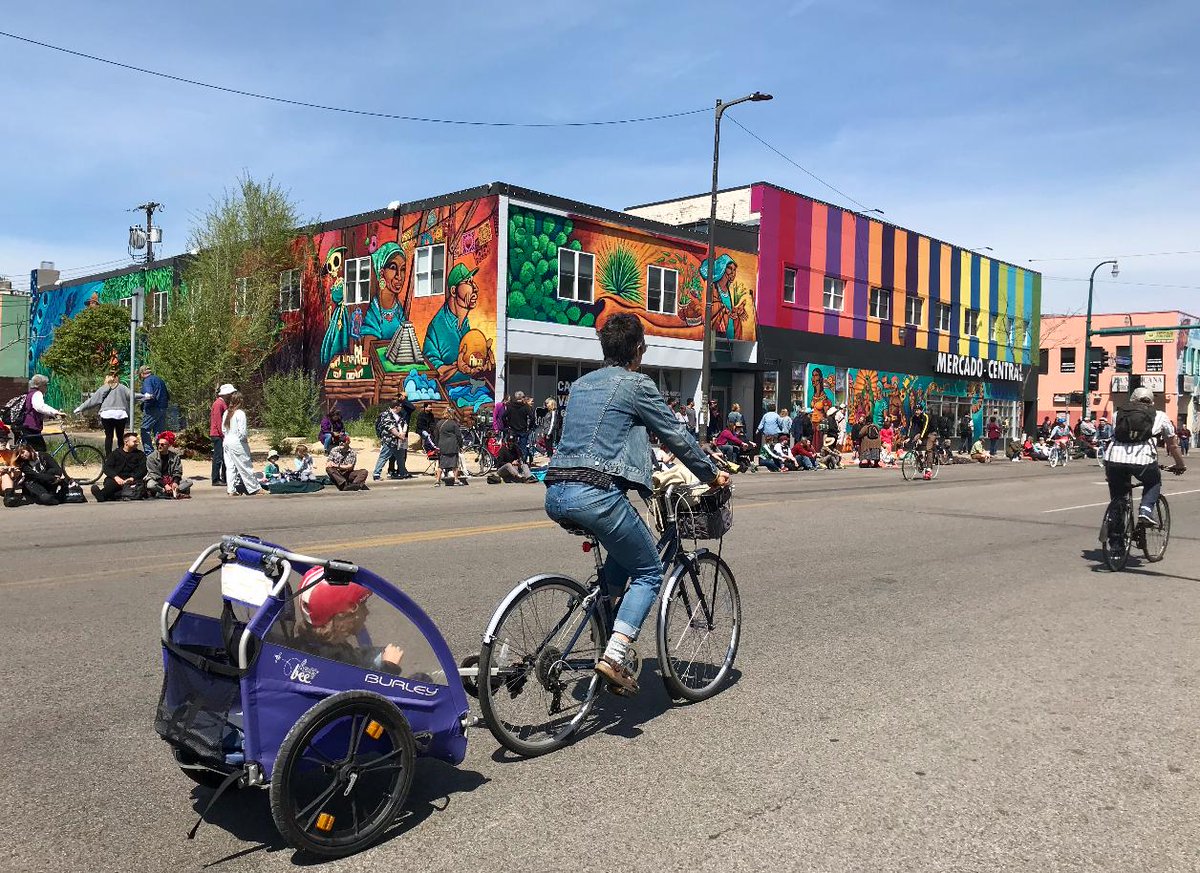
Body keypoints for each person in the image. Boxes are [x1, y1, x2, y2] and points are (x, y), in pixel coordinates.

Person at [544, 313, 728, 695]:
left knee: (622, 557)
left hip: (557, 489)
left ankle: (605, 624)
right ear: (638, 350)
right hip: (596, 494)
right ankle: (614, 655)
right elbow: (675, 434)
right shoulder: (636, 384)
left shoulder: (579, 386)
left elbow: (600, 436)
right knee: (648, 572)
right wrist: (710, 474)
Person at [1105, 387, 1186, 528]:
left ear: (1132, 400)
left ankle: (1116, 544)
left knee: (1118, 499)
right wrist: (1180, 464)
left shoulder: (1117, 414)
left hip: (1114, 459)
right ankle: (1145, 511)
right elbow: (1172, 445)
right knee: (1153, 482)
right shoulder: (1160, 415)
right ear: (1152, 402)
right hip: (1143, 460)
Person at [294, 579, 403, 673]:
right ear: (343, 615)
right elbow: (360, 691)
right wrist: (388, 667)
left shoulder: (316, 646)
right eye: (363, 606)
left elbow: (352, 657)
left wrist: (376, 653)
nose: (367, 612)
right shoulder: (331, 662)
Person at [75, 373, 132, 457]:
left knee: (109, 437)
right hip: (120, 414)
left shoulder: (103, 388)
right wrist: (145, 396)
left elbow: (93, 400)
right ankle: (123, 456)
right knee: (120, 436)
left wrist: (80, 408)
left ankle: (108, 457)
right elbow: (132, 395)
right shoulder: (122, 387)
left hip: (107, 414)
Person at [221, 391, 261, 496]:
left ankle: (231, 489)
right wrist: (244, 441)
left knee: (230, 467)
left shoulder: (226, 413)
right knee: (245, 465)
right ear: (240, 401)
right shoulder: (240, 413)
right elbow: (242, 432)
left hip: (227, 441)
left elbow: (223, 430)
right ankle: (254, 488)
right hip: (237, 442)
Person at [92, 432, 148, 502]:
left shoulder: (140, 455)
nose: (137, 443)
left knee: (136, 488)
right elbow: (106, 467)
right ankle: (102, 495)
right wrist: (116, 477)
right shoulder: (115, 453)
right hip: (117, 479)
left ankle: (106, 496)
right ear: (126, 442)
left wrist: (132, 478)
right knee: (110, 485)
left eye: (137, 441)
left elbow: (143, 470)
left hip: (132, 480)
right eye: (134, 441)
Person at [15, 374, 63, 452]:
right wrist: (55, 412)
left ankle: (30, 463)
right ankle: (37, 464)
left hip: (25, 425)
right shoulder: (37, 393)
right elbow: (40, 407)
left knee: (31, 450)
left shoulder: (30, 393)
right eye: (45, 385)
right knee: (41, 450)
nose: (46, 387)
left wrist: (48, 416)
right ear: (39, 385)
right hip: (31, 426)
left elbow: (33, 410)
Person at [145, 431, 193, 499]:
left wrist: (175, 482)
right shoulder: (151, 457)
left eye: (162, 444)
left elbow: (178, 471)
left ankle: (170, 491)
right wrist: (165, 485)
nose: (159, 446)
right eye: (158, 444)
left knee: (189, 481)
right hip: (158, 481)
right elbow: (154, 474)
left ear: (168, 445)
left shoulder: (175, 457)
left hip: (171, 480)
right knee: (150, 485)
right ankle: (167, 492)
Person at [373, 398, 408, 481]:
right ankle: (376, 474)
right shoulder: (386, 414)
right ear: (396, 407)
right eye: (400, 406)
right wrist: (399, 435)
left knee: (401, 457)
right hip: (390, 440)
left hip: (401, 440)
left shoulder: (400, 414)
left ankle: (402, 473)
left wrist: (403, 433)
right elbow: (390, 427)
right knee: (384, 456)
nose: (401, 408)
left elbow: (405, 423)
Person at [137, 365, 170, 454]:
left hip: (152, 408)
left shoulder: (147, 381)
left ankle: (149, 452)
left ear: (142, 374)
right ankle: (162, 452)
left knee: (145, 429)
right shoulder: (159, 380)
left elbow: (149, 396)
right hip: (163, 407)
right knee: (159, 432)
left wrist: (143, 404)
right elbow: (167, 395)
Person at [209, 383, 235, 487]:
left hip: (221, 434)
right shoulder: (218, 404)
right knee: (218, 457)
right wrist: (223, 434)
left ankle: (224, 477)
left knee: (224, 457)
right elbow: (218, 421)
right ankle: (215, 479)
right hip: (218, 434)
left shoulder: (222, 403)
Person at [503, 391, 536, 464]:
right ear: (522, 398)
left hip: (512, 429)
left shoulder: (510, 406)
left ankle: (512, 461)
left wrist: (507, 425)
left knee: (511, 446)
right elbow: (532, 417)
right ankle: (523, 462)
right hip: (523, 430)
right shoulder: (525, 406)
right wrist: (530, 427)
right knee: (523, 447)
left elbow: (503, 417)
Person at [905, 402, 935, 479]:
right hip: (921, 432)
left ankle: (928, 470)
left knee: (929, 449)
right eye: (915, 410)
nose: (916, 412)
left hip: (930, 432)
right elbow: (911, 428)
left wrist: (920, 439)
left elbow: (925, 428)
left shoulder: (926, 416)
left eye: (918, 410)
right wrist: (909, 437)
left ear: (921, 410)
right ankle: (921, 460)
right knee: (915, 445)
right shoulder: (913, 418)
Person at [436, 409, 465, 486]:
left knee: (441, 464)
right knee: (454, 464)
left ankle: (437, 481)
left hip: (442, 445)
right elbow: (458, 435)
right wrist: (461, 445)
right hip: (452, 445)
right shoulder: (453, 423)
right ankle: (456, 479)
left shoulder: (439, 423)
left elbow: (436, 435)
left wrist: (437, 445)